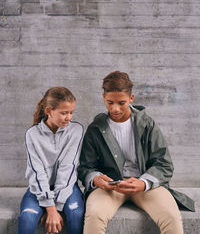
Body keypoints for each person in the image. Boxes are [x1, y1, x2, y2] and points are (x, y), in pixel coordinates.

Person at [78, 71, 195, 234]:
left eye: (121, 103)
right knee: (95, 215)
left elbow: (164, 163)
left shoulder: (147, 124)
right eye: (110, 102)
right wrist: (96, 178)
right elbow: (85, 167)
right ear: (103, 97)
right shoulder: (95, 128)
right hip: (109, 188)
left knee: (171, 217)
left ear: (131, 99)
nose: (115, 108)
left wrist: (143, 183)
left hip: (144, 184)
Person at [18, 86, 84, 234]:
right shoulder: (32, 134)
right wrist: (50, 207)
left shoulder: (76, 130)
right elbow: (37, 172)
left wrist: (57, 206)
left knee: (76, 214)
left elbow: (67, 168)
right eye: (63, 113)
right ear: (48, 111)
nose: (69, 117)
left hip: (68, 188)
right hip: (39, 188)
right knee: (27, 217)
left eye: (71, 112)